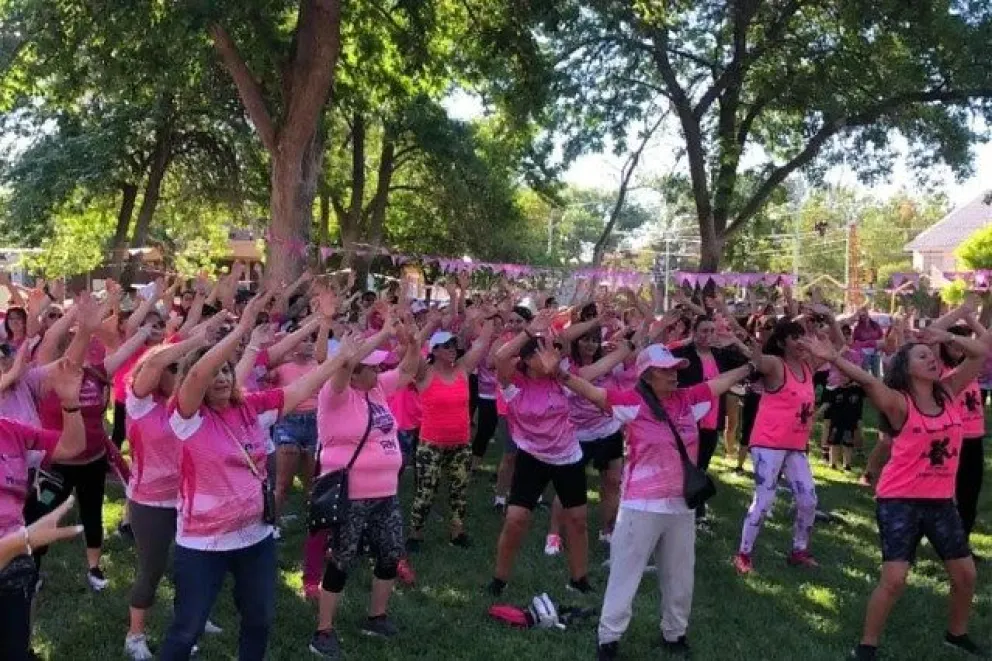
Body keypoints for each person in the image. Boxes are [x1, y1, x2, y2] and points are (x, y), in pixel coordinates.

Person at [159, 289, 352, 661]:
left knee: (259, 619)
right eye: (214, 372)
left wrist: (338, 356)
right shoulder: (187, 417)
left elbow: (300, 388)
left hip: (255, 539)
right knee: (187, 629)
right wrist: (243, 327)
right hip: (203, 544)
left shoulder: (251, 407)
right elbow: (198, 371)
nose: (219, 378)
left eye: (226, 370)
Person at [801, 327, 990, 661]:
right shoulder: (899, 404)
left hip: (940, 501)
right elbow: (870, 382)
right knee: (895, 579)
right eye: (922, 356)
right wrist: (833, 358)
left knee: (965, 575)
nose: (931, 359)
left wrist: (947, 335)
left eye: (932, 355)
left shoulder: (949, 390)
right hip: (900, 500)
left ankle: (956, 634)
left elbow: (979, 354)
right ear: (906, 368)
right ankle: (866, 646)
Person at [561, 344, 751, 660]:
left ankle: (674, 634)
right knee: (625, 572)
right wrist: (559, 373)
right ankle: (608, 638)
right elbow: (594, 394)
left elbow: (719, 384)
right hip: (640, 507)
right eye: (666, 370)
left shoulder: (689, 400)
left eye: (675, 369)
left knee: (680, 575)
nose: (674, 375)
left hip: (680, 506)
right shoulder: (633, 402)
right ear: (647, 375)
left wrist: (750, 367)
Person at [308, 316, 419, 659]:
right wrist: (380, 334)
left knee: (389, 552)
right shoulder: (335, 394)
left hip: (385, 491)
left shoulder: (377, 390)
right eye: (370, 367)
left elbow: (407, 371)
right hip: (350, 494)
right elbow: (344, 364)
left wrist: (413, 343)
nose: (378, 370)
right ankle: (323, 631)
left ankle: (376, 616)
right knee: (341, 559)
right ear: (354, 371)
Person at [119, 330, 218, 660]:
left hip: (190, 498)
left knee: (192, 567)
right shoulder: (140, 402)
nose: (180, 375)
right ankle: (135, 636)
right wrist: (191, 341)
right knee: (153, 568)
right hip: (150, 501)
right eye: (174, 368)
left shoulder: (186, 405)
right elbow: (158, 358)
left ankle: (190, 625)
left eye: (183, 369)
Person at [487, 312, 597, 597]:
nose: (553, 355)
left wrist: (559, 370)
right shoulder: (513, 386)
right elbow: (499, 358)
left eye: (554, 349)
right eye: (545, 350)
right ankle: (499, 579)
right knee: (515, 520)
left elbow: (587, 386)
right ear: (528, 358)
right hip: (532, 457)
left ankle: (579, 578)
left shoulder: (561, 380)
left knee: (578, 521)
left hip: (568, 458)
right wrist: (528, 331)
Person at [732, 313, 840, 574]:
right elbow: (756, 361)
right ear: (782, 343)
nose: (801, 341)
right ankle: (743, 554)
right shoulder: (775, 364)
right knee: (764, 500)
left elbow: (836, 347)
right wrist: (745, 339)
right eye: (795, 337)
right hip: (768, 444)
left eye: (803, 335)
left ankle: (799, 550)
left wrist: (831, 321)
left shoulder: (808, 366)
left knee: (808, 500)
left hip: (795, 446)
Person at [0, 359, 85, 661]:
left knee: (14, 648)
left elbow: (71, 446)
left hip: (14, 564)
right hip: (16, 545)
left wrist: (71, 404)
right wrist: (22, 540)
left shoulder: (10, 430)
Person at [407, 320, 493, 550]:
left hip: (461, 444)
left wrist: (490, 317)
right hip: (431, 444)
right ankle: (415, 534)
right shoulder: (424, 372)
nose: (453, 348)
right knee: (426, 491)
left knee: (459, 490)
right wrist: (428, 325)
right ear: (434, 350)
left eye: (454, 344)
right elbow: (413, 349)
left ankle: (457, 532)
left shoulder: (463, 369)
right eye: (446, 345)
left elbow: (483, 343)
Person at [671, 315, 747, 523]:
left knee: (702, 464)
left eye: (712, 331)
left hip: (712, 418)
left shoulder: (721, 355)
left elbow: (752, 362)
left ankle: (697, 507)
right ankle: (683, 507)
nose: (708, 335)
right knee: (685, 463)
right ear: (694, 332)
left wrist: (736, 341)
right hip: (688, 417)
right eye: (704, 331)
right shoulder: (682, 354)